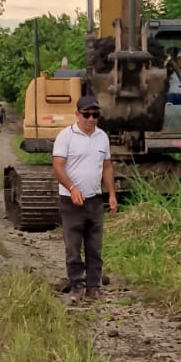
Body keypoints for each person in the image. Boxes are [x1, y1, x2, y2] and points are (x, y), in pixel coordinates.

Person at [52, 95, 117, 301]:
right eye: (86, 114)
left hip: (94, 199)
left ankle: (93, 286)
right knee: (73, 246)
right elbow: (58, 166)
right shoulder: (66, 136)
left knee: (94, 246)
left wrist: (111, 194)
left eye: (95, 115)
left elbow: (107, 166)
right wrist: (72, 188)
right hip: (71, 200)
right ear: (77, 115)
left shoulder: (102, 137)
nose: (91, 119)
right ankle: (76, 285)